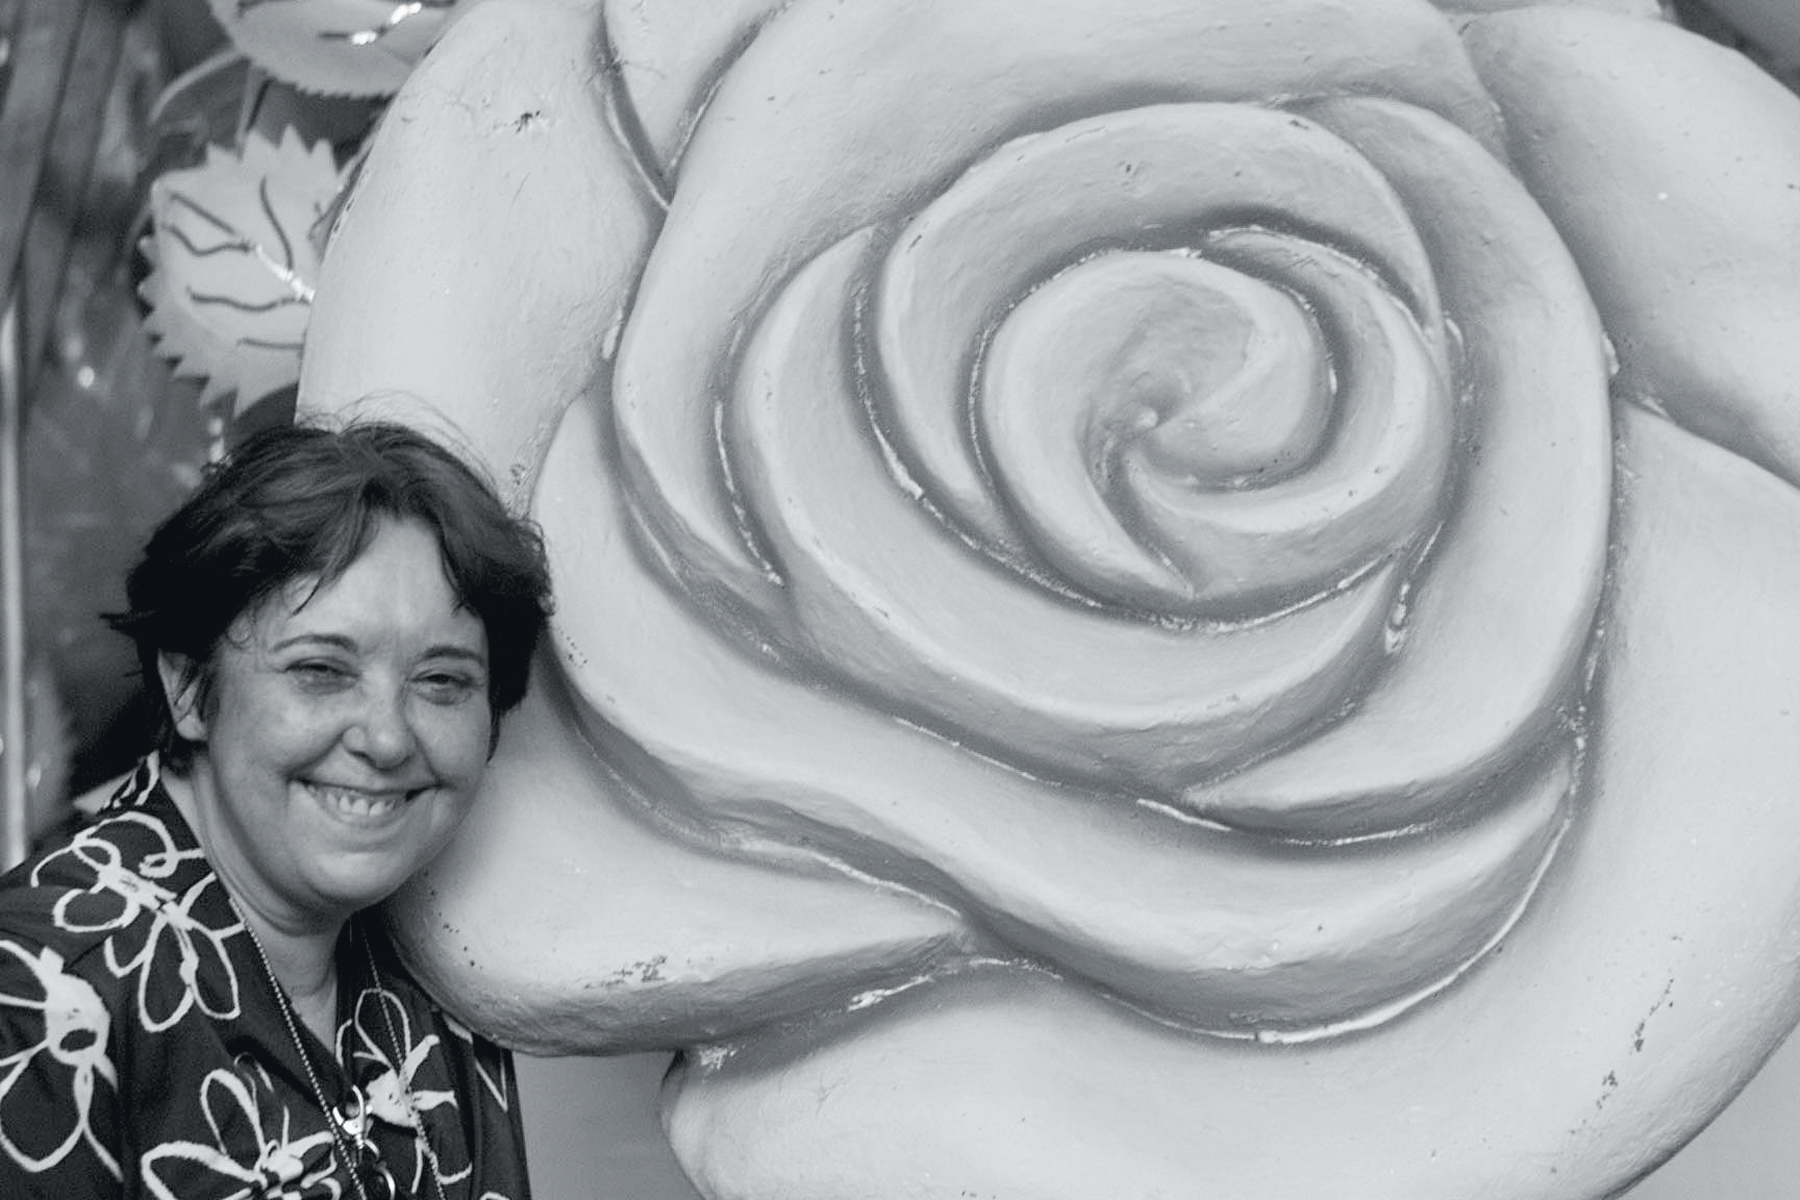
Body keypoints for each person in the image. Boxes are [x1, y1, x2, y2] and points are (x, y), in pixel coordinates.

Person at [0, 422, 552, 1199]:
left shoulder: (436, 987)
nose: (388, 737)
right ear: (191, 688)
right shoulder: (42, 992)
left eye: (442, 682)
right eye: (322, 671)